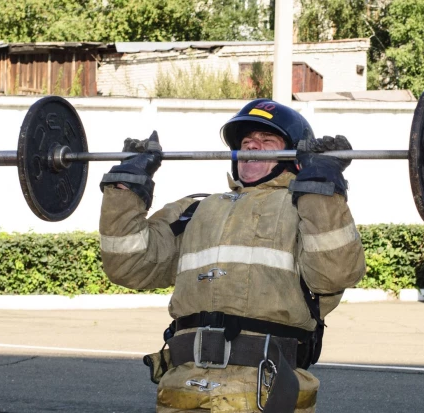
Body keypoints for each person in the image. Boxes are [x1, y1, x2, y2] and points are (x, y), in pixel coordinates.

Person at [98, 98, 366, 413]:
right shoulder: (193, 210)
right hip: (183, 391)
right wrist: (126, 187)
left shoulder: (309, 210)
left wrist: (321, 186)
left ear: (293, 158)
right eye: (247, 142)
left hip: (265, 391)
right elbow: (127, 265)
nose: (253, 147)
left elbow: (335, 273)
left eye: (267, 142)